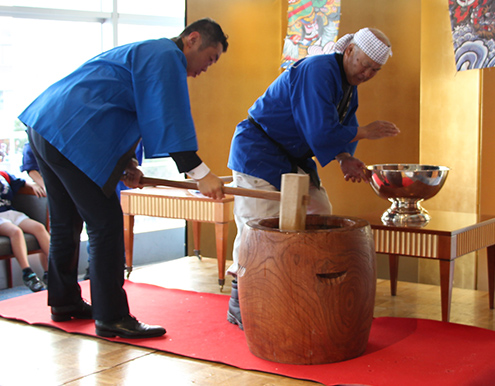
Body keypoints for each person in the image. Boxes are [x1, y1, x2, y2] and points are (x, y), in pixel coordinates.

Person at [18, 18, 228, 338]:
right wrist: (199, 172)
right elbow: (167, 114)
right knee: (106, 225)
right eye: (210, 58)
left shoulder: (144, 52)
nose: (206, 68)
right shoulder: (165, 55)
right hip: (72, 134)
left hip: (47, 125)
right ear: (192, 39)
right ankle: (112, 316)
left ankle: (64, 302)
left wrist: (126, 163)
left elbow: (123, 108)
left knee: (65, 222)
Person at [226, 27, 400, 330]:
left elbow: (342, 124)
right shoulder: (318, 69)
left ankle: (295, 285)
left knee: (319, 211)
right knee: (257, 228)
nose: (368, 72)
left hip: (292, 158)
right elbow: (321, 130)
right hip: (258, 150)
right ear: (348, 52)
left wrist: (346, 158)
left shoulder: (348, 84)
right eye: (365, 64)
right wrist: (366, 132)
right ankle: (241, 302)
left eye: (376, 69)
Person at [0, 171, 50, 292]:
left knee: (39, 227)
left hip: (10, 212)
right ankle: (28, 273)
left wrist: (33, 185)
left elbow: (20, 183)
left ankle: (55, 269)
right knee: (15, 232)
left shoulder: (4, 175)